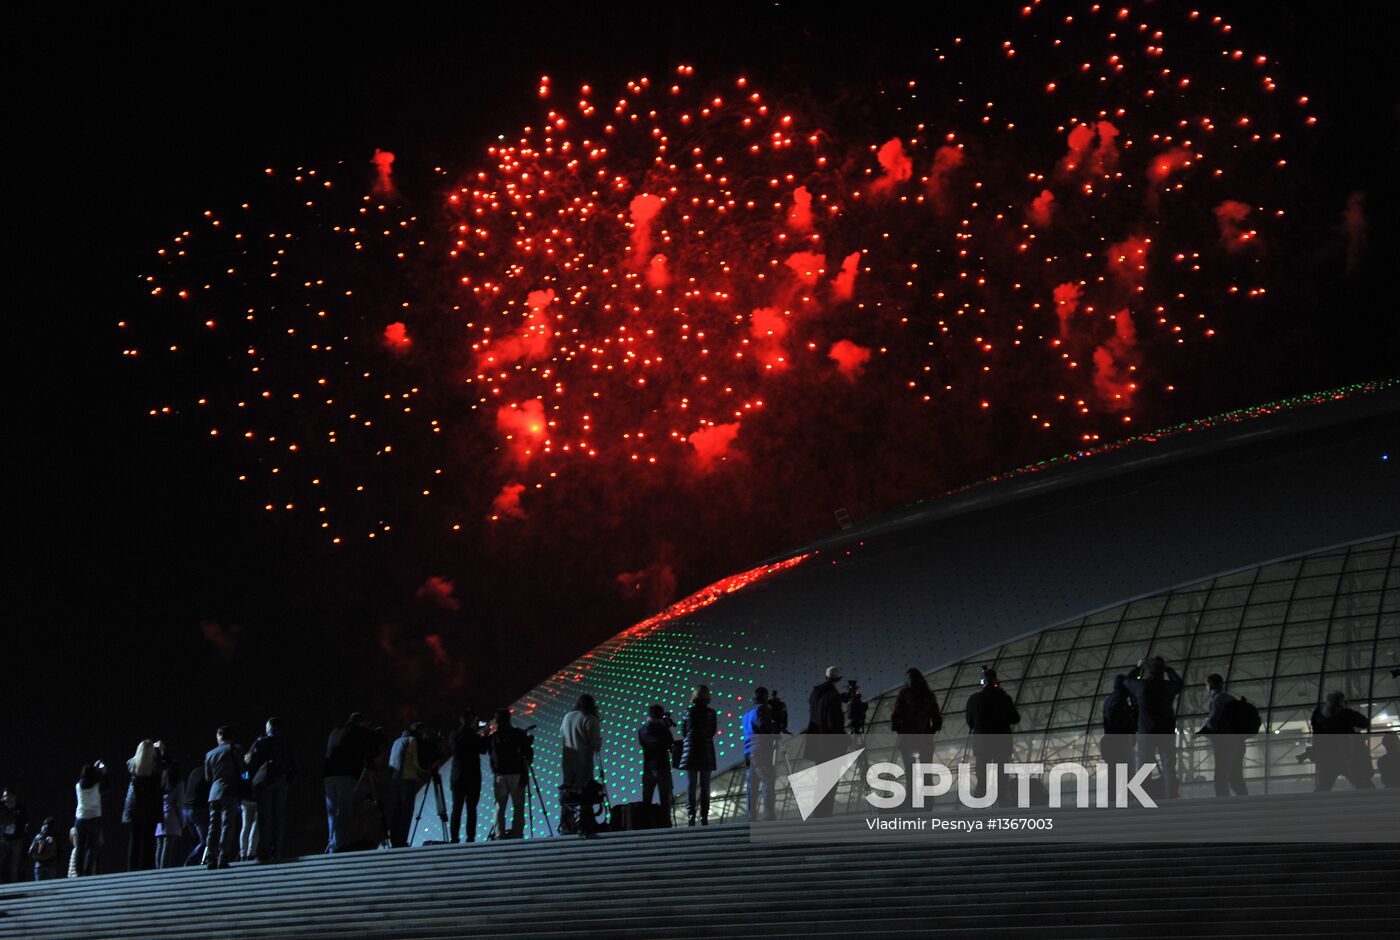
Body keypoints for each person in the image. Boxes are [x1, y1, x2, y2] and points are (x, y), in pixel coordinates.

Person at [323, 712, 385, 853]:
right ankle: (338, 845)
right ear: (360, 723)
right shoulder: (358, 731)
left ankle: (333, 844)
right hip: (345, 774)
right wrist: (372, 732)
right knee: (343, 811)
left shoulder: (336, 730)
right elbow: (377, 740)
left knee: (332, 812)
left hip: (329, 776)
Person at [1123, 655, 1184, 799]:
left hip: (1146, 732)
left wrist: (1138, 668)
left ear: (1149, 671)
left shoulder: (1142, 686)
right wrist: (1168, 668)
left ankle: (1144, 798)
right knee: (1169, 767)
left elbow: (1127, 681)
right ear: (1162, 671)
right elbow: (1179, 684)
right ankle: (1171, 797)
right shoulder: (1168, 687)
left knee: (1144, 768)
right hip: (1166, 732)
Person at [965, 667, 1022, 805]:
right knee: (1001, 775)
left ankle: (979, 805)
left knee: (982, 776)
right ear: (996, 682)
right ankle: (1001, 803)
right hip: (1001, 742)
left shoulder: (974, 699)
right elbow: (1015, 718)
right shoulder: (1004, 698)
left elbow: (970, 722)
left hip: (982, 743)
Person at [246, 717, 296, 861]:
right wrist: (288, 779)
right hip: (282, 781)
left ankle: (264, 850)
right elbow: (294, 764)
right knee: (279, 816)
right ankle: (277, 849)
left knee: (265, 817)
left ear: (269, 728)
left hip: (265, 782)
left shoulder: (263, 742)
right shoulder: (287, 743)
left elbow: (251, 763)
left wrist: (247, 781)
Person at [805, 666, 850, 817]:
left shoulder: (815, 693)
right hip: (830, 745)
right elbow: (834, 722)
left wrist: (838, 697)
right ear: (839, 679)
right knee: (830, 781)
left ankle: (819, 814)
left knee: (822, 780)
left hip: (816, 745)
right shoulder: (832, 696)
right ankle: (825, 814)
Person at [1309, 692, 1374, 790]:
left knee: (1324, 786)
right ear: (1342, 702)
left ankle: (1316, 804)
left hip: (1326, 758)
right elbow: (1364, 723)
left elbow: (1316, 734)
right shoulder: (1346, 714)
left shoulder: (1318, 714)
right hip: (1347, 756)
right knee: (1363, 784)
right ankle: (1372, 801)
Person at [560, 694, 603, 836]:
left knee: (568, 794)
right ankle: (586, 823)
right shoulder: (590, 719)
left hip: (567, 761)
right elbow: (595, 744)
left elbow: (562, 733)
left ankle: (566, 823)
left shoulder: (568, 716)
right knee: (585, 793)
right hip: (583, 762)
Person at [890, 669, 942, 784]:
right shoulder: (928, 695)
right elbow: (936, 716)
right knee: (926, 775)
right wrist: (931, 732)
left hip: (909, 740)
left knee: (910, 774)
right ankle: (927, 800)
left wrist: (900, 730)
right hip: (924, 739)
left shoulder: (904, 695)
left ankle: (913, 800)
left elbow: (896, 715)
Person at [1200, 674, 1248, 797]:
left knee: (1220, 777)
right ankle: (1246, 802)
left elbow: (1213, 722)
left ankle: (1223, 805)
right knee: (1236, 776)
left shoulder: (1216, 701)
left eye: (1206, 685)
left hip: (1224, 745)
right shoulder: (1230, 698)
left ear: (1210, 685)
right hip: (1238, 743)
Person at [204, 726, 244, 869]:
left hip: (214, 793)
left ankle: (210, 857)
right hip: (230, 791)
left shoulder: (210, 754)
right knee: (227, 824)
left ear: (219, 736)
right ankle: (223, 857)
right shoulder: (235, 749)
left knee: (212, 826)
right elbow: (243, 769)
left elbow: (208, 777)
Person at [488, 709, 531, 839]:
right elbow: (527, 752)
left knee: (499, 806)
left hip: (500, 775)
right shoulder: (518, 734)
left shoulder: (494, 737)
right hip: (517, 774)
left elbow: (490, 754)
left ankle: (499, 834)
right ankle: (517, 833)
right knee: (518, 806)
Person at [681, 686, 719, 826]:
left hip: (690, 750)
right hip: (706, 750)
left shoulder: (687, 712)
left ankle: (691, 816)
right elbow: (712, 731)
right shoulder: (711, 713)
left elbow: (684, 732)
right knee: (705, 785)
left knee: (691, 784)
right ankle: (704, 817)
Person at [448, 710, 488, 843]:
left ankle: (454, 838)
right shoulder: (472, 736)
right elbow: (483, 750)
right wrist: (483, 735)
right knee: (471, 809)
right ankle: (470, 838)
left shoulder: (454, 735)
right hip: (472, 777)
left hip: (457, 777)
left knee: (457, 809)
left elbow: (456, 751)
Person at [122, 740, 162, 871]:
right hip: (150, 808)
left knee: (134, 840)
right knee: (148, 840)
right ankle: (146, 868)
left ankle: (131, 869)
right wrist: (160, 751)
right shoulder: (155, 767)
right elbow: (166, 765)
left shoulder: (131, 765)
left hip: (133, 807)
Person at [741, 688, 777, 822]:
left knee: (752, 786)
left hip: (748, 752)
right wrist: (775, 728)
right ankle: (769, 815)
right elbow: (764, 725)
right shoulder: (762, 709)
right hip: (760, 749)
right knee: (768, 781)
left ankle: (752, 817)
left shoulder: (746, 715)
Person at [388, 723, 426, 848]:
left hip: (395, 779)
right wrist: (424, 772)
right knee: (406, 812)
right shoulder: (412, 740)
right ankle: (402, 841)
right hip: (407, 779)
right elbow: (415, 761)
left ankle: (394, 840)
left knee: (396, 812)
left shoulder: (397, 741)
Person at [1100, 674, 1138, 796]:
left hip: (1109, 742)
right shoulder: (1120, 701)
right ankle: (1126, 803)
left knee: (1114, 777)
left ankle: (1114, 803)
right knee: (1128, 775)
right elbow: (1128, 722)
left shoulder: (1110, 699)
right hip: (1120, 743)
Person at [637, 705, 675, 817]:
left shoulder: (641, 731)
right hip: (663, 768)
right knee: (665, 802)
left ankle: (646, 825)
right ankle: (666, 824)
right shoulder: (664, 730)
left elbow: (643, 743)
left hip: (648, 769)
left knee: (646, 801)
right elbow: (670, 744)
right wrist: (665, 726)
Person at [73, 763, 105, 876]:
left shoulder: (78, 786)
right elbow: (107, 786)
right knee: (91, 847)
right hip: (94, 818)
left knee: (79, 847)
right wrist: (101, 772)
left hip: (80, 818)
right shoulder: (97, 785)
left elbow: (84, 778)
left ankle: (78, 871)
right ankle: (87, 871)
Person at [154, 757, 185, 868]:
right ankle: (164, 871)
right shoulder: (178, 783)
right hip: (172, 818)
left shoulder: (161, 784)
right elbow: (179, 804)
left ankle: (157, 870)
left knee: (159, 845)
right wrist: (182, 822)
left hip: (159, 816)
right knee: (167, 846)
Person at [181, 761, 209, 866]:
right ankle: (190, 860)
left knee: (194, 839)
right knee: (205, 840)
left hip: (186, 809)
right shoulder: (208, 774)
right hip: (199, 810)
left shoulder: (195, 771)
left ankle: (194, 860)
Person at [0, 788, 29, 883]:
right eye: (4, 796)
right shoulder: (2, 807)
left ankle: (14, 885)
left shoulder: (20, 807)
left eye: (7, 796)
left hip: (17, 839)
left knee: (14, 864)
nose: (5, 798)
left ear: (13, 796)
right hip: (4, 839)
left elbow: (25, 821)